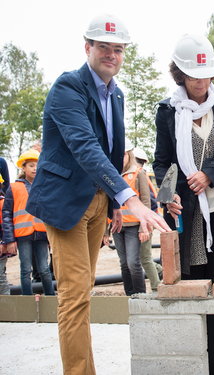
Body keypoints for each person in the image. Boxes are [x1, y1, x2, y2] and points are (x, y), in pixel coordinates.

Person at [26, 14, 170, 375]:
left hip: (97, 203)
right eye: (103, 47)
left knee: (83, 292)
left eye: (118, 49)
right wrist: (129, 197)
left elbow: (110, 153)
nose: (111, 55)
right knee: (73, 298)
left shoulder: (116, 93)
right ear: (87, 47)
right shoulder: (67, 88)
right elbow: (84, 147)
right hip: (65, 203)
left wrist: (111, 204)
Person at [153, 34, 214, 375]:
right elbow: (162, 162)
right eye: (193, 75)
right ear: (180, 74)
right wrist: (168, 195)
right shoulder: (167, 112)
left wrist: (210, 174)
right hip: (189, 218)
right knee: (196, 293)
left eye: (205, 74)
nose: (200, 82)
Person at [2, 150, 55, 295]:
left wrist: (52, 236)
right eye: (31, 165)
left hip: (42, 234)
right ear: (23, 168)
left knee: (44, 269)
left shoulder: (45, 187)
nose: (35, 168)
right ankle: (27, 301)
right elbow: (6, 214)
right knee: (26, 269)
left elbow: (50, 212)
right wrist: (9, 239)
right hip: (23, 236)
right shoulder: (13, 188)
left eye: (37, 165)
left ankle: (51, 298)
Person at [110, 139, 149, 295]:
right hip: (117, 227)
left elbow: (145, 201)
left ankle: (140, 296)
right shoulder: (112, 175)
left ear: (127, 155)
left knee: (133, 263)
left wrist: (143, 227)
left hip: (133, 226)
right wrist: (106, 232)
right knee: (124, 264)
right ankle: (129, 295)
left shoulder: (139, 173)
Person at [134, 147, 162, 291]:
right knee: (143, 257)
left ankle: (156, 287)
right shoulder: (140, 176)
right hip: (146, 222)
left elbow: (148, 203)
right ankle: (160, 271)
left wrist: (147, 225)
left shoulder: (140, 176)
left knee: (144, 258)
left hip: (146, 223)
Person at [0, 173, 12, 295]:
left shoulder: (2, 203)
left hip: (0, 246)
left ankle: (7, 307)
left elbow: (5, 225)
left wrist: (4, 242)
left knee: (0, 280)